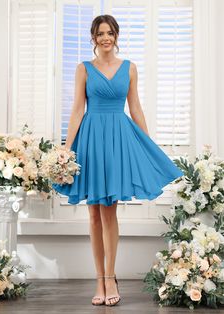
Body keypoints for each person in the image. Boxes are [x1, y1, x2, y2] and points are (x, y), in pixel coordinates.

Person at [52, 14, 184, 306]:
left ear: (116, 36)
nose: (105, 38)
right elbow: (76, 110)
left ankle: (111, 277)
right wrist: (66, 148)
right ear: (93, 38)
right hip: (91, 140)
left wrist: (147, 143)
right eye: (100, 33)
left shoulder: (130, 68)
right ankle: (99, 279)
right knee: (94, 214)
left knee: (109, 211)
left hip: (118, 139)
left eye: (110, 32)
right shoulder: (83, 69)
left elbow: (135, 107)